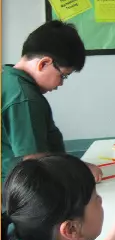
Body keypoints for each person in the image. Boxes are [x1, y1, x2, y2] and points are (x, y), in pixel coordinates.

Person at [1, 20, 102, 183]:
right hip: (18, 190)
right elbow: (35, 162)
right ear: (44, 63)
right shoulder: (25, 99)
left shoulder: (7, 78)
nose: (60, 83)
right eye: (63, 76)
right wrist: (78, 170)